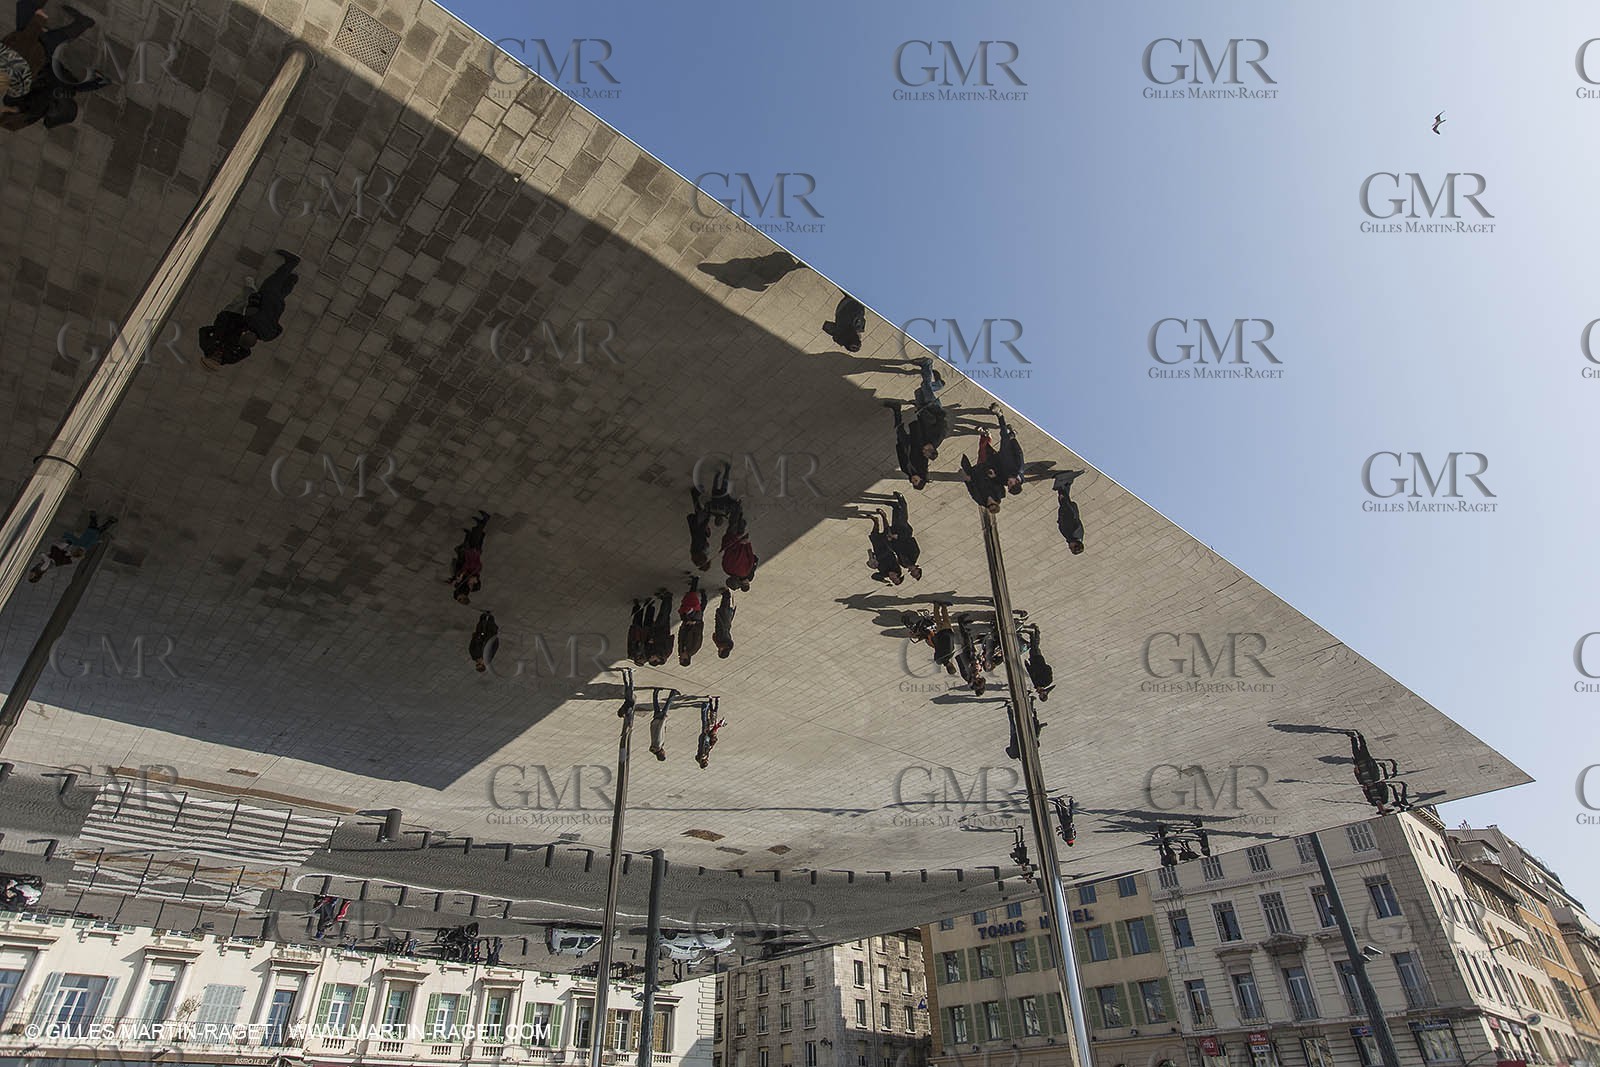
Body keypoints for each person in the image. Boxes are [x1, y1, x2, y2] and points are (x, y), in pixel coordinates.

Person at [197, 250, 301, 370]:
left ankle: (288, 281)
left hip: (228, 317)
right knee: (255, 298)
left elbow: (203, 331)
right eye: (218, 360)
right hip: (243, 324)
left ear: (208, 356)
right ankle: (288, 273)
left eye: (214, 358)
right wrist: (242, 341)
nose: (217, 357)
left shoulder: (206, 345)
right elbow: (246, 352)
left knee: (240, 301)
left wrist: (216, 329)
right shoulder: (230, 358)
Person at [2, 2, 94, 104]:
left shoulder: (15, 90)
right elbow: (25, 43)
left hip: (36, 53)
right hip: (36, 47)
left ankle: (83, 23)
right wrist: (38, 21)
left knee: (26, 7)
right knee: (25, 6)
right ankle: (83, 23)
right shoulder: (6, 65)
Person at [885, 400, 932, 489]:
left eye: (913, 482)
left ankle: (897, 409)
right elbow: (923, 454)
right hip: (913, 443)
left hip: (904, 445)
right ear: (921, 479)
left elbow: (901, 458)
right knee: (913, 425)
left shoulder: (907, 471)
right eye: (916, 481)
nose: (913, 480)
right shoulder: (922, 467)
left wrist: (899, 446)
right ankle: (920, 409)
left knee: (899, 429)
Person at [445, 511, 490, 604]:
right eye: (460, 598)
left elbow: (459, 581)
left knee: (472, 543)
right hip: (471, 561)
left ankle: (478, 525)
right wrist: (464, 577)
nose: (459, 597)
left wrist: (455, 580)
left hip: (467, 562)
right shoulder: (468, 588)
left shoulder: (459, 591)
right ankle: (484, 520)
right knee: (475, 541)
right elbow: (472, 578)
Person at [988, 405, 1026, 494]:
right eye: (1010, 483)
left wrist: (994, 476)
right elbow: (1019, 453)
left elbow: (999, 480)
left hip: (998, 458)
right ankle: (1000, 414)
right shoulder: (1019, 469)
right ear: (1016, 481)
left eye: (1008, 485)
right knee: (1004, 435)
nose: (1007, 483)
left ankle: (1012, 433)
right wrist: (1013, 441)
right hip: (1007, 451)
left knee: (987, 450)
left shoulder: (1006, 481)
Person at [884, 492, 922, 579]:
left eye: (914, 575)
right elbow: (911, 540)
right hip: (904, 532)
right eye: (916, 573)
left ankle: (895, 506)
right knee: (902, 518)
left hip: (894, 538)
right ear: (918, 569)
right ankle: (902, 500)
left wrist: (890, 541)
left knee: (895, 520)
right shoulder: (915, 554)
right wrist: (898, 537)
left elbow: (896, 552)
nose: (913, 574)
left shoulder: (903, 564)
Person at [720, 516, 757, 592]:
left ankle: (740, 517)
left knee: (741, 529)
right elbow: (726, 553)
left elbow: (751, 557)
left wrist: (747, 544)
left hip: (742, 543)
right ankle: (736, 515)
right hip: (731, 541)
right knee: (732, 526)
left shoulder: (745, 571)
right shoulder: (726, 569)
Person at [1020, 623, 1054, 701]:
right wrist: (1042, 666)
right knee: (1034, 647)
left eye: (1040, 695)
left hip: (1033, 662)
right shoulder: (1047, 681)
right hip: (1039, 660)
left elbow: (1031, 674)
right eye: (1042, 694)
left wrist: (1027, 665)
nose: (1039, 693)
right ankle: (1035, 632)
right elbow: (1049, 669)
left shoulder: (1036, 684)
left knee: (1034, 647)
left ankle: (1033, 633)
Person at [867, 512, 903, 585]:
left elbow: (874, 576)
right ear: (897, 575)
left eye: (893, 580)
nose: (892, 578)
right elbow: (893, 557)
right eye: (895, 578)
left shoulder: (884, 573)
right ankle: (883, 516)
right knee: (886, 531)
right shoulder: (896, 568)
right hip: (886, 547)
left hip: (878, 551)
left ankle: (875, 522)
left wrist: (883, 580)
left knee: (874, 534)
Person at [1053, 471, 1085, 554]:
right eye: (1072, 547)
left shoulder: (1075, 537)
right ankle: (1064, 480)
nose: (1069, 547)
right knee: (1062, 494)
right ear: (1076, 544)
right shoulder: (1074, 533)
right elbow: (1070, 515)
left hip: (1067, 509)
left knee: (1064, 493)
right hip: (1067, 509)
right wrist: (1064, 503)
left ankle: (1068, 481)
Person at [677, 577, 705, 667]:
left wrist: (682, 628)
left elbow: (680, 639)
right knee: (694, 605)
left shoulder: (681, 649)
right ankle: (695, 583)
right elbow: (698, 635)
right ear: (687, 658)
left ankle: (693, 588)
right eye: (681, 658)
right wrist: (694, 624)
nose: (680, 656)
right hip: (695, 622)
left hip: (686, 624)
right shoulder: (693, 648)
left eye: (680, 658)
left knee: (686, 606)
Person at [687, 486, 714, 571]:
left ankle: (694, 494)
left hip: (699, 525)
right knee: (698, 510)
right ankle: (695, 495)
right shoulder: (696, 552)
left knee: (699, 511)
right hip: (698, 526)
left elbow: (700, 532)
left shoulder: (699, 547)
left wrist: (707, 519)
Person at [648, 687, 678, 761]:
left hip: (659, 721)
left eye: (664, 753)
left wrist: (663, 720)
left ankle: (673, 693)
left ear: (661, 754)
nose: (664, 752)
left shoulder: (658, 744)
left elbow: (659, 730)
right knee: (656, 706)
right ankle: (655, 692)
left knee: (667, 705)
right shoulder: (654, 747)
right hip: (655, 721)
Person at [645, 588, 673, 666]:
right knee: (664, 614)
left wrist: (650, 642)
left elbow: (649, 646)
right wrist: (654, 641)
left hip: (656, 631)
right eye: (651, 658)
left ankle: (665, 600)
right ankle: (668, 598)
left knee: (663, 615)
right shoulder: (665, 653)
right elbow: (666, 641)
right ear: (656, 660)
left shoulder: (655, 653)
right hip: (663, 631)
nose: (651, 656)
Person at [695, 696, 724, 769]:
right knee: (706, 722)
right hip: (704, 737)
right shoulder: (701, 757)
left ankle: (704, 707)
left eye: (706, 762)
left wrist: (706, 736)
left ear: (704, 762)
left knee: (705, 721)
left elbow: (703, 745)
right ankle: (706, 707)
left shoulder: (702, 755)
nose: (707, 760)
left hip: (705, 737)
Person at [930, 603, 956, 673]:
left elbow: (951, 643)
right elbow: (936, 653)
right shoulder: (938, 661)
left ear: (952, 665)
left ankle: (943, 606)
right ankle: (936, 606)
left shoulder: (950, 654)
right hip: (939, 635)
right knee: (938, 620)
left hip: (947, 632)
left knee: (946, 619)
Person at [712, 586, 736, 659]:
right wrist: (718, 617)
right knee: (724, 606)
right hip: (723, 619)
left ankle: (725, 594)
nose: (718, 650)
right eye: (719, 651)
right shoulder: (722, 641)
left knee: (725, 606)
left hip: (726, 620)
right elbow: (721, 628)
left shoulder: (725, 643)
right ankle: (726, 593)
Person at [627, 599, 650, 666]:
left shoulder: (632, 654)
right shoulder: (647, 656)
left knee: (637, 620)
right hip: (645, 636)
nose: (643, 661)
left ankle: (637, 606)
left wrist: (630, 634)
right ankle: (648, 605)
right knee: (647, 620)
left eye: (640, 661)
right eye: (643, 662)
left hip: (636, 636)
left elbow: (630, 644)